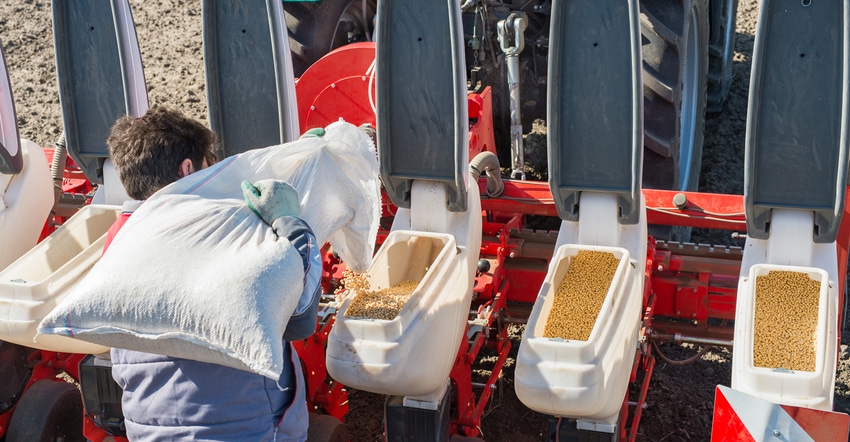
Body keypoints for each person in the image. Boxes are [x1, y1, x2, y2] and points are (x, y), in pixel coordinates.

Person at [102, 106, 320, 441]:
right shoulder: (218, 232)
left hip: (148, 429)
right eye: (209, 165)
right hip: (244, 428)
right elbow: (299, 317)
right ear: (188, 168)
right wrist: (290, 224)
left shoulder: (117, 240)